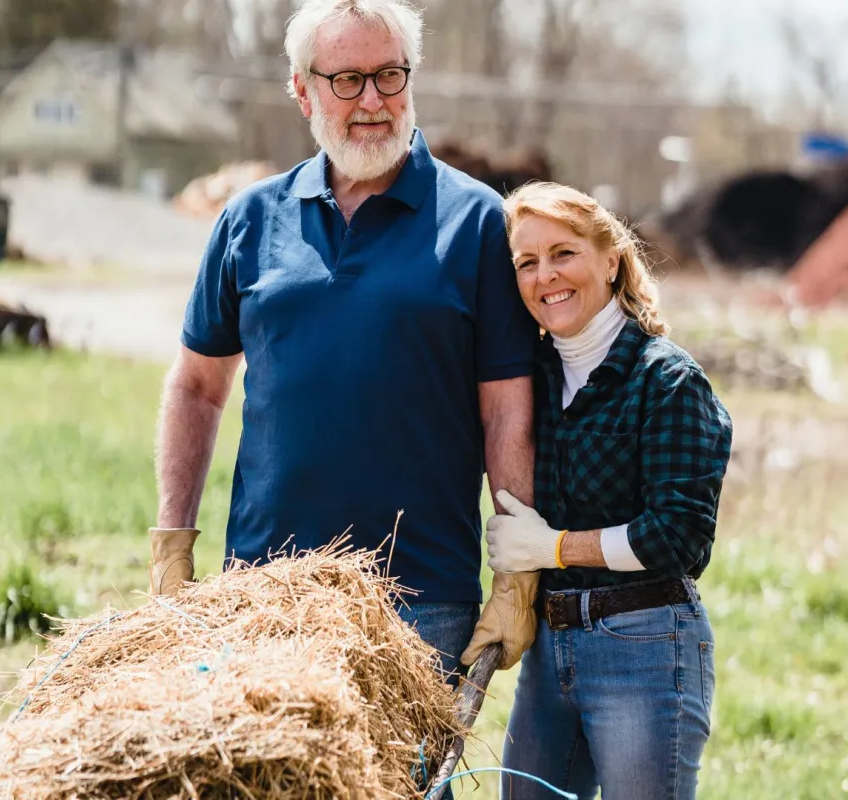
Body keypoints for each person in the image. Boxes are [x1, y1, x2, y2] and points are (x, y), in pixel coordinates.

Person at [146, 0, 541, 695]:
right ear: (303, 90)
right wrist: (172, 545)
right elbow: (196, 387)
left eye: (390, 75)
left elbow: (507, 412)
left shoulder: (477, 222)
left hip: (419, 600)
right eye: (347, 80)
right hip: (264, 593)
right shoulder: (250, 219)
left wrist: (515, 575)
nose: (373, 101)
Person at [461, 182, 733, 799]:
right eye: (526, 263)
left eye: (563, 253)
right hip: (551, 648)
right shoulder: (532, 379)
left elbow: (679, 536)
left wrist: (553, 548)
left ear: (610, 260)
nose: (545, 275)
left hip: (644, 643)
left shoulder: (665, 382)